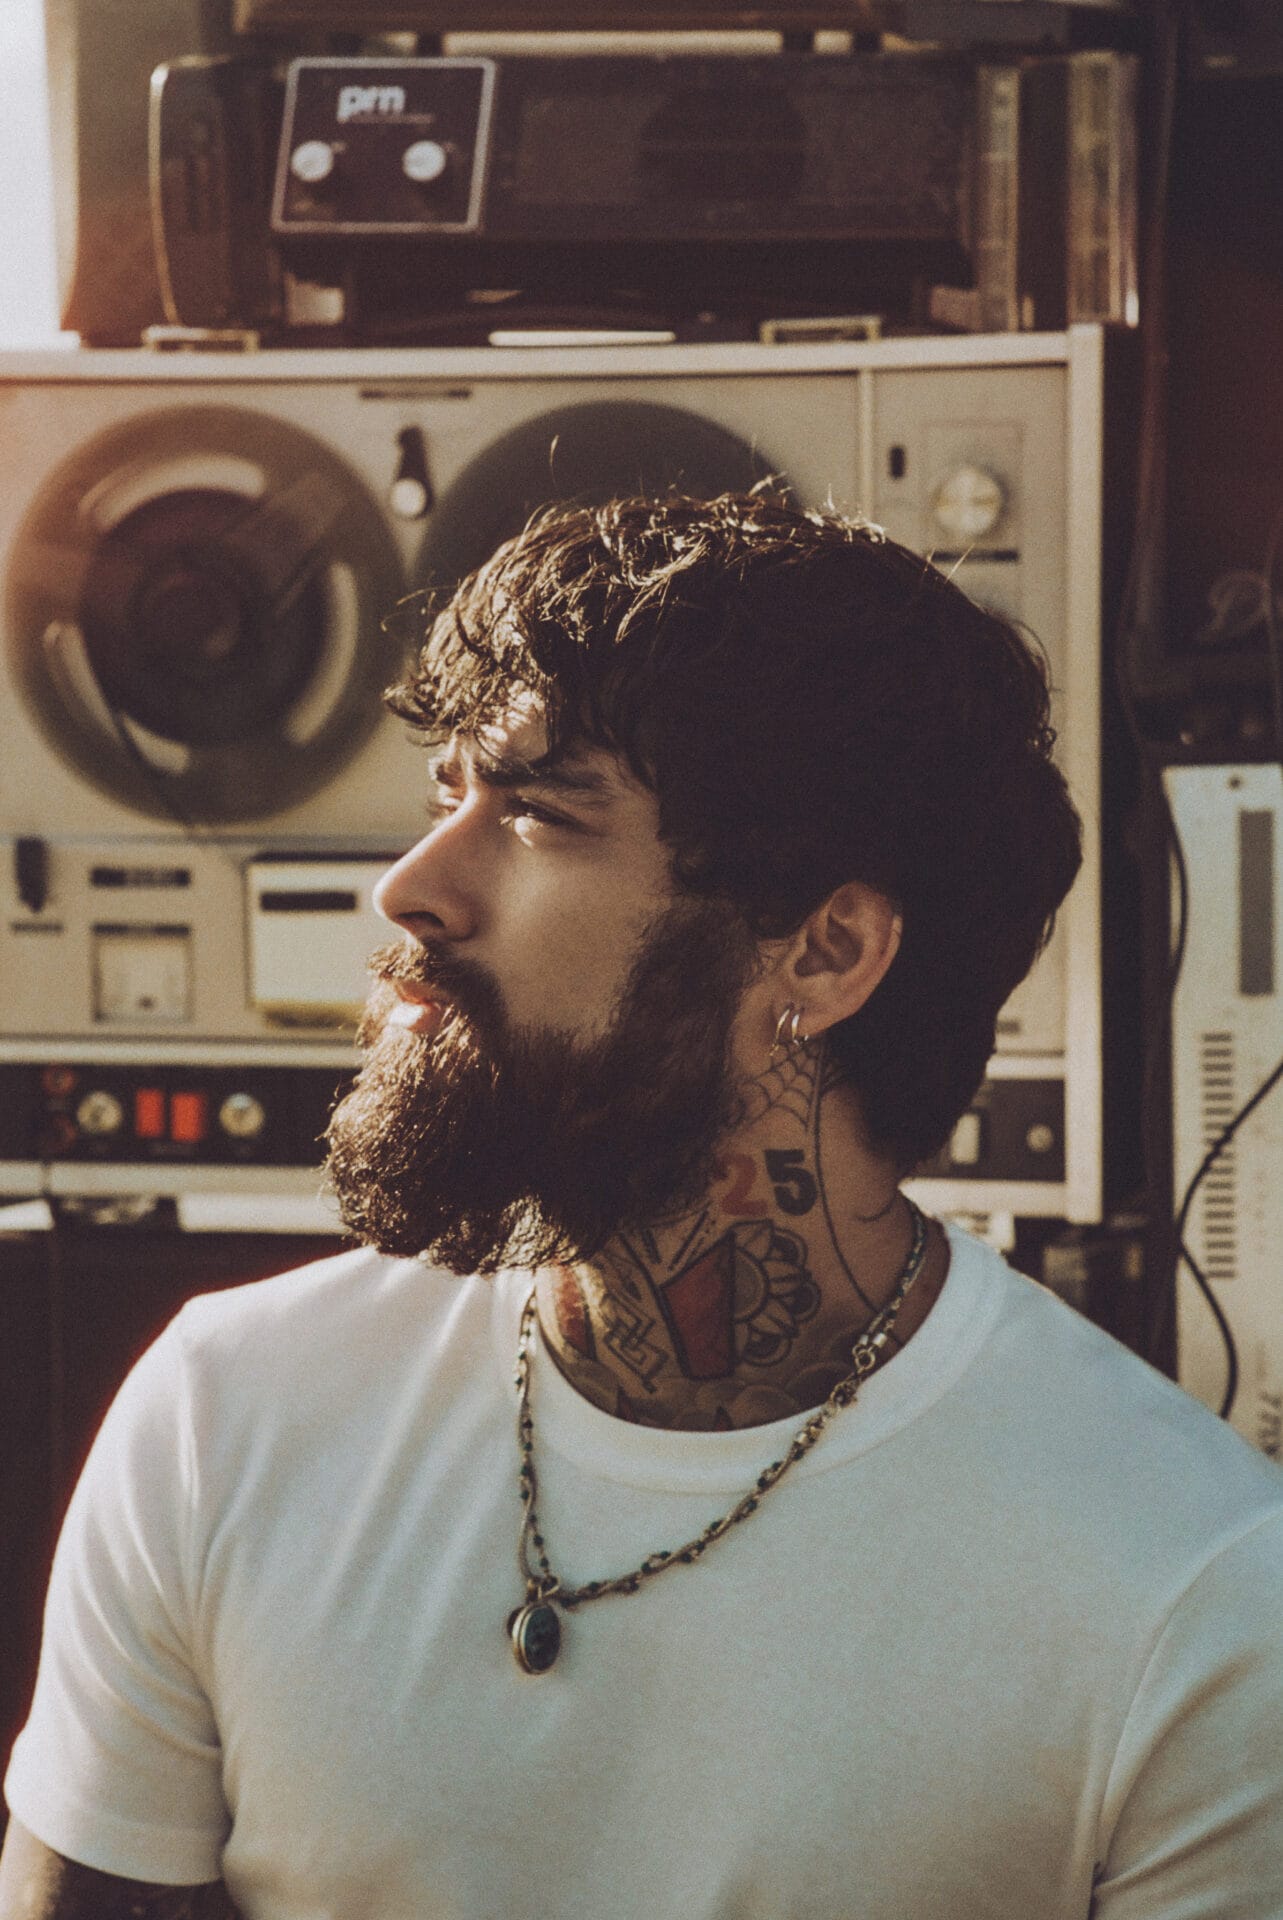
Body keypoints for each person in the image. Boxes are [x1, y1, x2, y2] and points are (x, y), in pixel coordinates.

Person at [3, 491, 1283, 1920]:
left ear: (826, 951)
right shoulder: (225, 1416)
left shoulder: (1189, 1585)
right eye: (450, 799)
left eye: (541, 815)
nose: (409, 888)